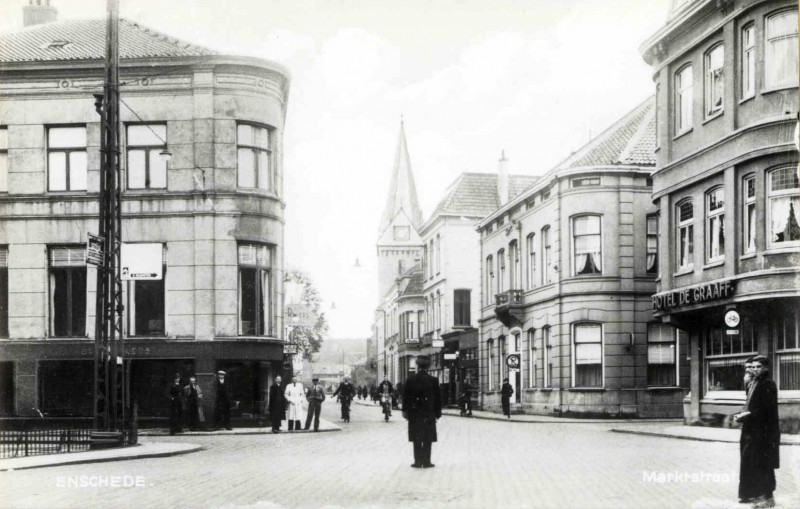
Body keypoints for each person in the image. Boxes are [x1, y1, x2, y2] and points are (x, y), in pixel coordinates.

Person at [734, 355, 780, 508]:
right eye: (752, 367)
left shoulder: (768, 384)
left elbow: (766, 410)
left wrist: (747, 415)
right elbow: (751, 404)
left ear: (766, 368)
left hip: (764, 431)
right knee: (749, 461)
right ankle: (751, 494)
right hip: (751, 429)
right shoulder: (753, 383)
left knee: (763, 463)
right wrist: (743, 413)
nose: (754, 369)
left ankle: (767, 498)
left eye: (758, 367)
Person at [402, 355, 442, 468]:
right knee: (428, 438)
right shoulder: (433, 381)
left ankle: (418, 461)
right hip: (429, 414)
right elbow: (438, 398)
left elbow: (406, 397)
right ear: (428, 367)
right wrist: (437, 413)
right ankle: (427, 461)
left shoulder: (410, 380)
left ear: (417, 366)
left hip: (415, 414)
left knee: (417, 438)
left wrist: (405, 411)